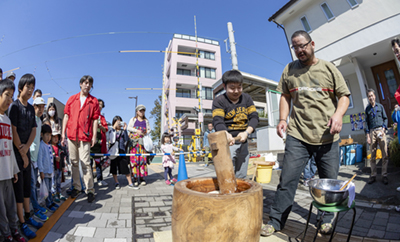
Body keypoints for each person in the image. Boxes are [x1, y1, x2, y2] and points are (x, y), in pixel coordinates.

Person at [261, 30, 350, 237]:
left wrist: (338, 115)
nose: (299, 50)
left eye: (302, 45)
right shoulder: (289, 70)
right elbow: (284, 96)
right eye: (295, 47)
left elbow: (344, 96)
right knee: (288, 180)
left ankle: (326, 219)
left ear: (312, 44)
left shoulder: (328, 68)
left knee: (329, 183)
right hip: (298, 135)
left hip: (328, 136)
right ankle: (276, 220)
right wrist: (283, 119)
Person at [9, 74, 43, 239]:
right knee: (19, 188)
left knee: (28, 187)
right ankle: (21, 222)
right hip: (16, 154)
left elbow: (34, 130)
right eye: (27, 87)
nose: (30, 90)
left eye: (32, 87)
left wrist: (27, 149)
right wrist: (22, 153)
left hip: (26, 152)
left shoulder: (30, 108)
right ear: (20, 88)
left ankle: (29, 216)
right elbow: (13, 130)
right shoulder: (14, 107)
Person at [212, 70, 259, 179]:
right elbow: (218, 121)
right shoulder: (219, 101)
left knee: (242, 175)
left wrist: (247, 132)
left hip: (243, 140)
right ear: (224, 86)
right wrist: (226, 134)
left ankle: (239, 195)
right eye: (232, 88)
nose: (236, 91)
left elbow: (254, 117)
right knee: (227, 176)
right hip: (227, 142)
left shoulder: (246, 98)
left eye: (239, 87)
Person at [61, 75, 100, 203]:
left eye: (90, 84)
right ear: (80, 84)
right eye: (85, 82)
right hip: (71, 135)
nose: (87, 85)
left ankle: (90, 189)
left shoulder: (93, 101)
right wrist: (63, 134)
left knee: (86, 163)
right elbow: (66, 117)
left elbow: (95, 120)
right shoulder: (72, 99)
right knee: (74, 162)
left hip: (85, 136)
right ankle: (77, 187)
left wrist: (94, 136)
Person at [0, 79, 26, 242]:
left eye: (11, 96)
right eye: (6, 95)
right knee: (1, 209)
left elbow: (10, 148)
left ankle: (14, 231)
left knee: (10, 205)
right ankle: (6, 235)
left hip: (8, 173)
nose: (10, 100)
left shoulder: (8, 120)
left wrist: (15, 169)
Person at [29, 97, 49, 222]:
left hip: (35, 157)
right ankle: (35, 209)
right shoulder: (30, 118)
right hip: (29, 156)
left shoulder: (40, 121)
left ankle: (36, 206)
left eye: (43, 107)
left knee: (33, 184)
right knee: (31, 184)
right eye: (39, 106)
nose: (41, 109)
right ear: (34, 106)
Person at [365, 89, 388, 185]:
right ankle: (373, 175)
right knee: (372, 156)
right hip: (372, 132)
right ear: (368, 98)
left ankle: (384, 175)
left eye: (372, 95)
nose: (371, 97)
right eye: (369, 96)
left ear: (375, 96)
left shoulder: (380, 106)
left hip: (381, 131)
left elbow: (385, 118)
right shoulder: (367, 109)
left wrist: (383, 130)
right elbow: (366, 123)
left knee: (385, 154)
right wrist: (368, 136)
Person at [127, 104, 151, 189]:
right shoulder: (133, 119)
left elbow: (149, 129)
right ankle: (135, 178)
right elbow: (129, 128)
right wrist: (136, 131)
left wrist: (145, 132)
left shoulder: (146, 121)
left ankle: (142, 177)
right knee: (134, 161)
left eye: (143, 110)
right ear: (137, 111)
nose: (142, 112)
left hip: (142, 144)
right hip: (134, 144)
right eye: (140, 110)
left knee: (142, 160)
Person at [37, 124, 60, 212]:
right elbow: (40, 159)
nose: (48, 137)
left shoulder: (49, 146)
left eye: (50, 135)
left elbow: (51, 159)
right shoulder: (41, 145)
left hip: (50, 171)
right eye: (47, 135)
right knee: (46, 190)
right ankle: (48, 203)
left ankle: (51, 201)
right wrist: (41, 171)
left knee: (50, 188)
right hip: (45, 172)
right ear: (42, 134)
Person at [108, 116, 133, 189]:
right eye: (117, 122)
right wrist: (113, 127)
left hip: (121, 150)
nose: (119, 124)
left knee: (125, 167)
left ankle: (130, 183)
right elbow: (110, 139)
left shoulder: (122, 131)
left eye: (120, 122)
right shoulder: (111, 130)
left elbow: (126, 139)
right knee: (113, 168)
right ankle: (116, 182)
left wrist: (125, 129)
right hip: (113, 151)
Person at [90, 99, 108, 187]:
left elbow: (106, 129)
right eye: (98, 104)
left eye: (101, 104)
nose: (99, 106)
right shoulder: (90, 115)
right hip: (90, 144)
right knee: (88, 163)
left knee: (98, 163)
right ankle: (89, 181)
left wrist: (101, 127)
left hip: (99, 144)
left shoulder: (102, 118)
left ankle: (100, 179)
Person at [51, 131, 66, 202]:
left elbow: (62, 158)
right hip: (53, 168)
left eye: (57, 137)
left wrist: (63, 166)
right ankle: (54, 195)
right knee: (53, 183)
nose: (55, 138)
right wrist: (55, 158)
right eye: (54, 137)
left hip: (59, 168)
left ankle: (59, 193)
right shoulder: (50, 147)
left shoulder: (60, 147)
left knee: (58, 182)